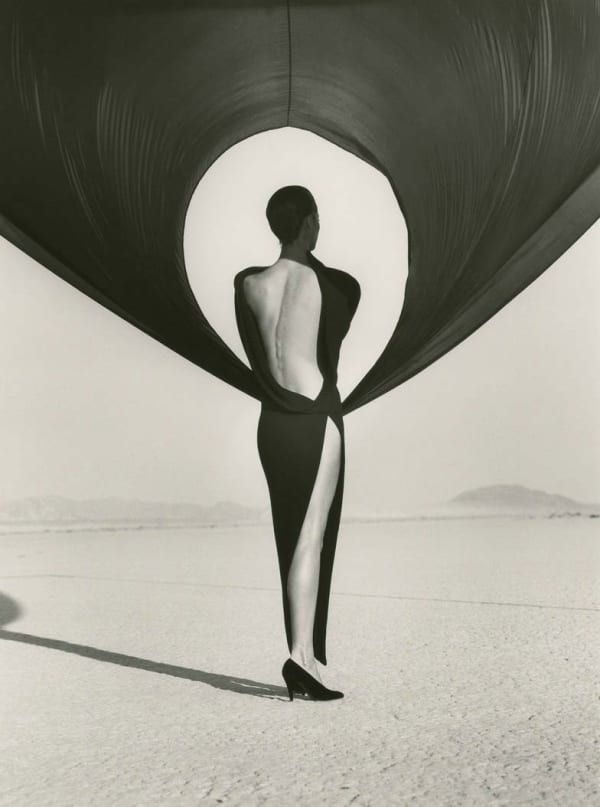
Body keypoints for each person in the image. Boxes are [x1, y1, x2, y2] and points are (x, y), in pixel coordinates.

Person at [233, 186, 360, 701]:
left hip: (273, 425)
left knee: (288, 538)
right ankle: (298, 659)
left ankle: (302, 656)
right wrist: (307, 250)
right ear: (308, 224)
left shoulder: (247, 283)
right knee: (310, 540)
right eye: (317, 220)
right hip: (314, 419)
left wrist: (293, 241)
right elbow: (341, 319)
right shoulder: (329, 284)